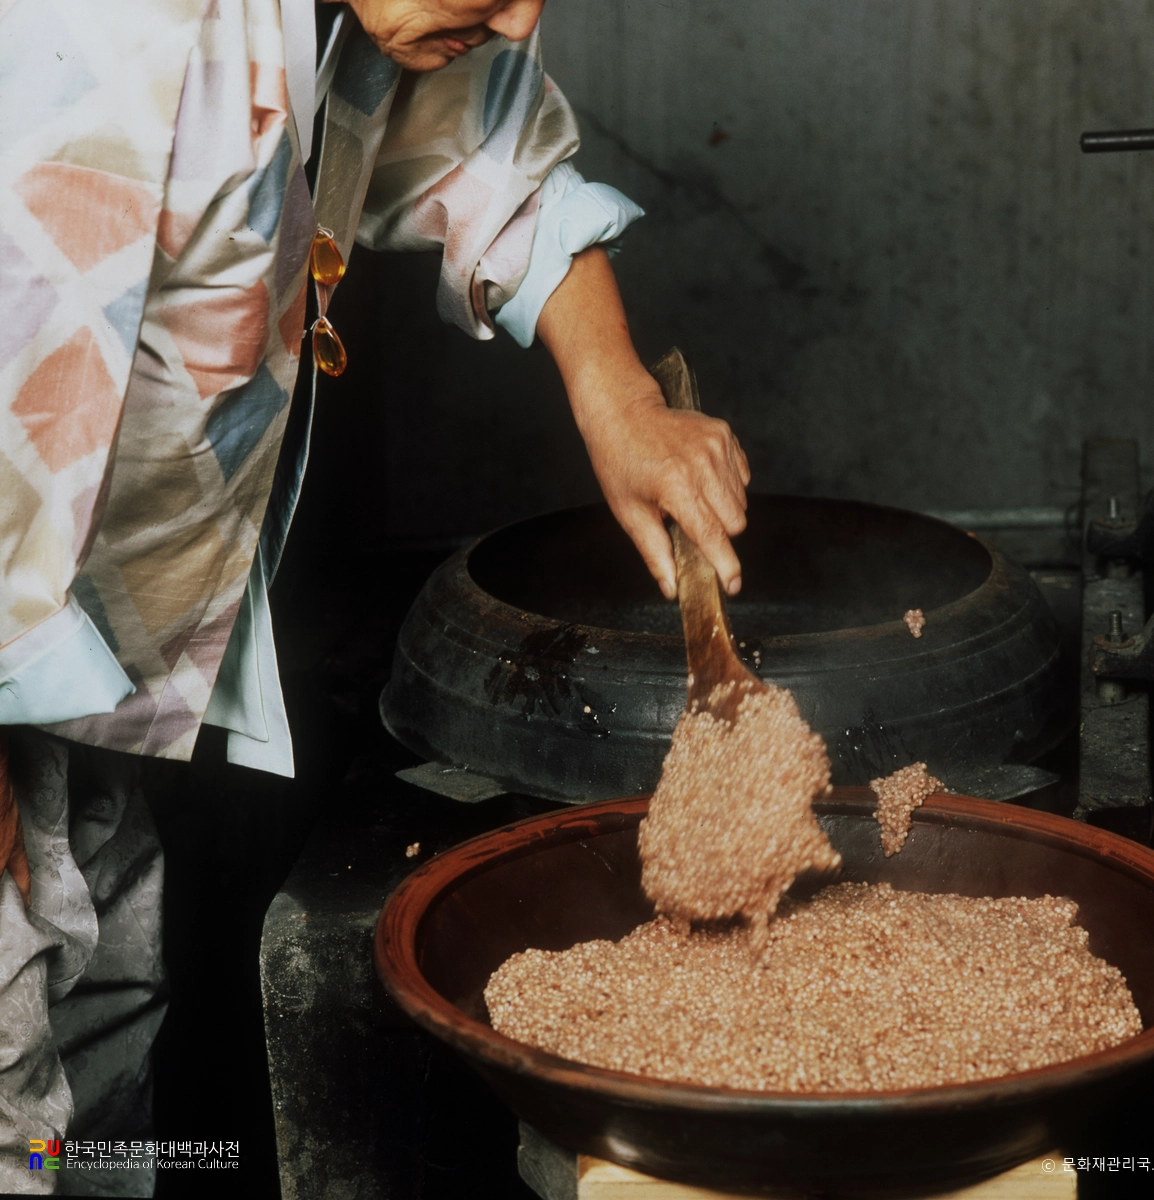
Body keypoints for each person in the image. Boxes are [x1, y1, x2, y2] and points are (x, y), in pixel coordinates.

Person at [0, 0, 749, 1192]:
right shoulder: (105, 33)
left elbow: (492, 157)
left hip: (97, 677)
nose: (519, 16)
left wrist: (618, 395)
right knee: (6, 1106)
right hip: (13, 660)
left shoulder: (365, 18)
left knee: (90, 1078)